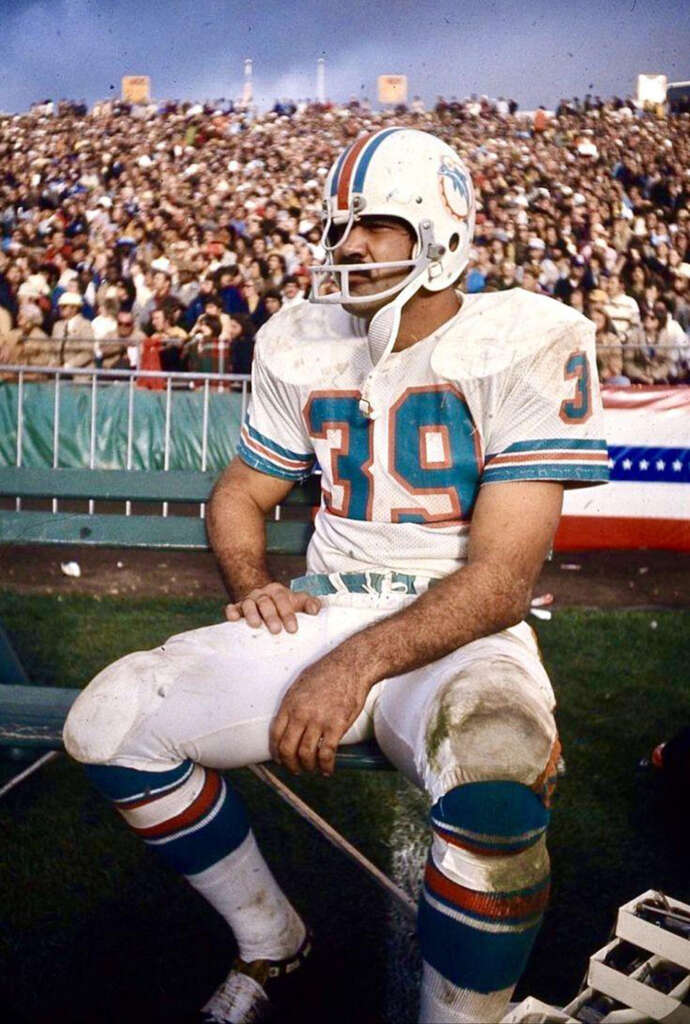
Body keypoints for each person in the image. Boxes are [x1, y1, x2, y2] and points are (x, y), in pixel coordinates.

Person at [62, 128, 610, 1024]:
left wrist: (352, 666)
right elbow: (240, 491)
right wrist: (253, 580)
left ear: (442, 228)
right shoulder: (302, 335)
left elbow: (502, 583)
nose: (347, 244)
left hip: (461, 635)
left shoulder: (531, 336)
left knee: (499, 781)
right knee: (111, 721)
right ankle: (273, 941)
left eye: (376, 224)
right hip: (326, 608)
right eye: (340, 225)